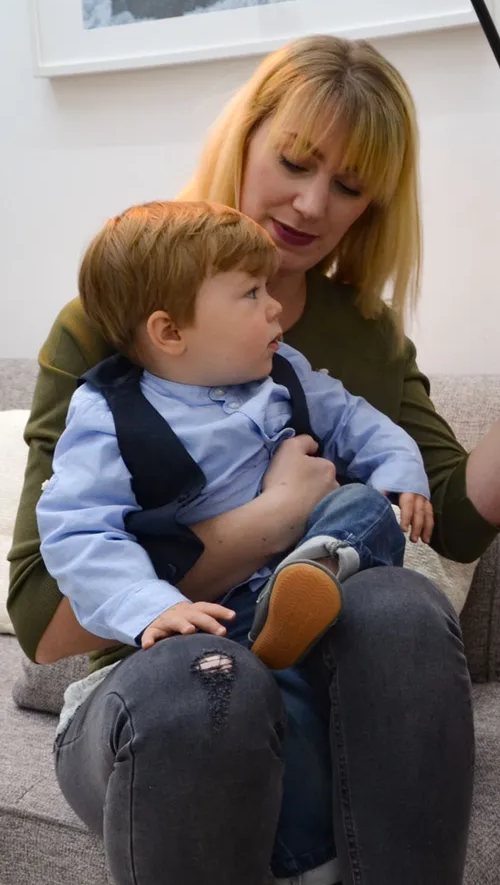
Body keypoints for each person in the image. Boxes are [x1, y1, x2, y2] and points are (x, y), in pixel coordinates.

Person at [7, 35, 500, 885]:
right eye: (296, 162)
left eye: (348, 187)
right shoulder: (122, 325)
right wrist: (266, 521)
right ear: (247, 142)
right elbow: (43, 616)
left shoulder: (359, 339)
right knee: (206, 679)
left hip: (318, 689)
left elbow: (455, 517)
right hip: (147, 690)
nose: (313, 204)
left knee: (394, 601)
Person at [38, 199, 434, 678]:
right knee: (237, 688)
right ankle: (285, 626)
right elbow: (80, 531)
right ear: (169, 331)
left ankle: (311, 580)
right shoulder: (109, 415)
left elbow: (353, 418)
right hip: (219, 616)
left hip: (328, 596)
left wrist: (398, 467)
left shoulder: (284, 369)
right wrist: (151, 605)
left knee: (365, 507)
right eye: (251, 292)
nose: (275, 306)